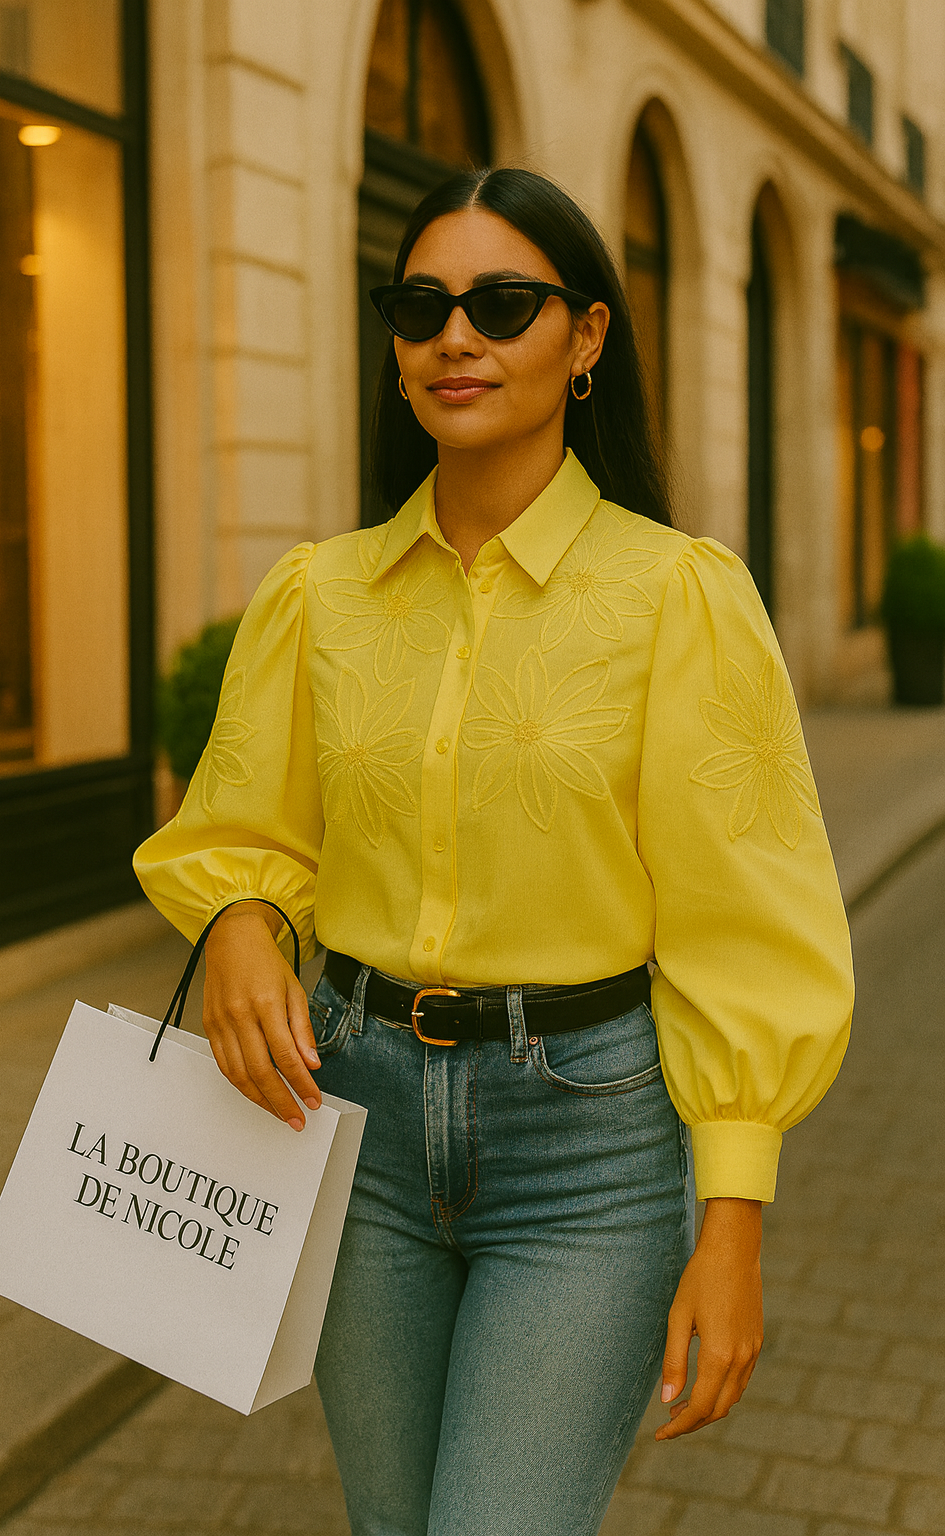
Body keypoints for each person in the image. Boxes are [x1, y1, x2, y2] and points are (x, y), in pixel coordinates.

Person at [133, 167, 853, 1536]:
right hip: (348, 1118)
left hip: (587, 1149)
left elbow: (748, 920)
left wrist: (734, 1215)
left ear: (587, 337)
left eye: (502, 304)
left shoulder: (678, 597)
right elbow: (241, 831)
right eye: (421, 308)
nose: (454, 337)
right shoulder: (317, 596)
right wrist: (236, 921)